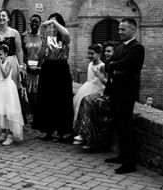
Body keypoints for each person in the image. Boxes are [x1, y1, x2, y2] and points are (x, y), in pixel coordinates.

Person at [103, 18, 145, 174]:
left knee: (126, 126)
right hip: (115, 91)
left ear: (133, 30)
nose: (119, 32)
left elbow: (125, 65)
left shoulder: (137, 48)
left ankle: (130, 162)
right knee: (118, 125)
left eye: (123, 29)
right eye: (119, 29)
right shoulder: (120, 47)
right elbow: (108, 65)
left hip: (126, 93)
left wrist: (114, 66)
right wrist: (114, 67)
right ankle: (122, 155)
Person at [31, 13, 74, 142]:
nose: (52, 26)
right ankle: (48, 130)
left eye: (54, 24)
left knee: (61, 99)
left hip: (61, 69)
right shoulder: (46, 37)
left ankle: (61, 131)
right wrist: (43, 40)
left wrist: (54, 22)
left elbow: (66, 34)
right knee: (46, 99)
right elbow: (39, 56)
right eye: (50, 24)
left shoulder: (64, 38)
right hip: (48, 68)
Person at [74, 42, 116, 152]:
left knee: (89, 107)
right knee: (80, 105)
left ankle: (88, 136)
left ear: (98, 54)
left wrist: (100, 78)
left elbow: (106, 82)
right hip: (88, 86)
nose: (90, 56)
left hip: (98, 89)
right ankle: (82, 132)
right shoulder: (92, 64)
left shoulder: (103, 66)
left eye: (92, 53)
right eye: (88, 53)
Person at [0, 44, 24, 145]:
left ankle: (10, 136)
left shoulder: (9, 62)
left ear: (6, 54)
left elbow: (6, 75)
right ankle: (2, 135)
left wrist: (0, 64)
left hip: (7, 89)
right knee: (0, 112)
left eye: (1, 54)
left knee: (8, 112)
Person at [21, 15, 44, 122]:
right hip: (27, 67)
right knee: (27, 91)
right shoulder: (24, 36)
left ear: (40, 23)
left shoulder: (43, 37)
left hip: (39, 68)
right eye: (32, 22)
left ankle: (37, 115)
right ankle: (28, 114)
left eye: (37, 22)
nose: (34, 24)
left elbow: (44, 54)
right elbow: (22, 53)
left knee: (37, 92)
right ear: (30, 23)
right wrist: (26, 65)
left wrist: (39, 66)